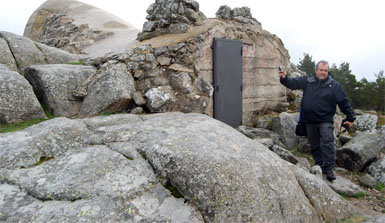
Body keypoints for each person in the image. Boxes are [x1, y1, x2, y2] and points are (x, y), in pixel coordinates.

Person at [279, 60, 355, 181]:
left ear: (327, 71)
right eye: (321, 70)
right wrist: (284, 78)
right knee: (314, 145)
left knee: (327, 142)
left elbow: (343, 101)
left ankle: (329, 168)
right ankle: (320, 164)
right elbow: (293, 83)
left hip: (325, 120)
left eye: (325, 70)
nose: (323, 72)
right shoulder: (307, 81)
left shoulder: (334, 85)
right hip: (309, 120)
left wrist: (351, 117)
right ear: (316, 71)